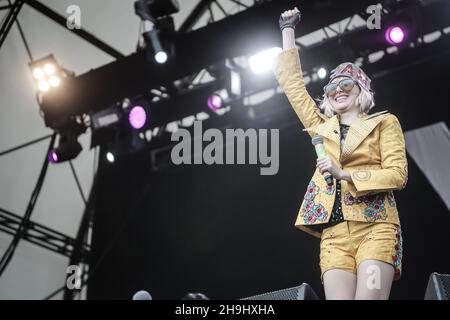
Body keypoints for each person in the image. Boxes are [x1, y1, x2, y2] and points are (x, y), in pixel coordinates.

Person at [273, 7, 408, 300]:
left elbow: (397, 175)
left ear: (362, 91)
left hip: (375, 227)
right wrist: (287, 30)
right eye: (332, 87)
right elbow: (293, 86)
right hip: (334, 236)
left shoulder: (384, 122)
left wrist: (344, 173)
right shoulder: (321, 127)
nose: (337, 90)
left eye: (346, 84)